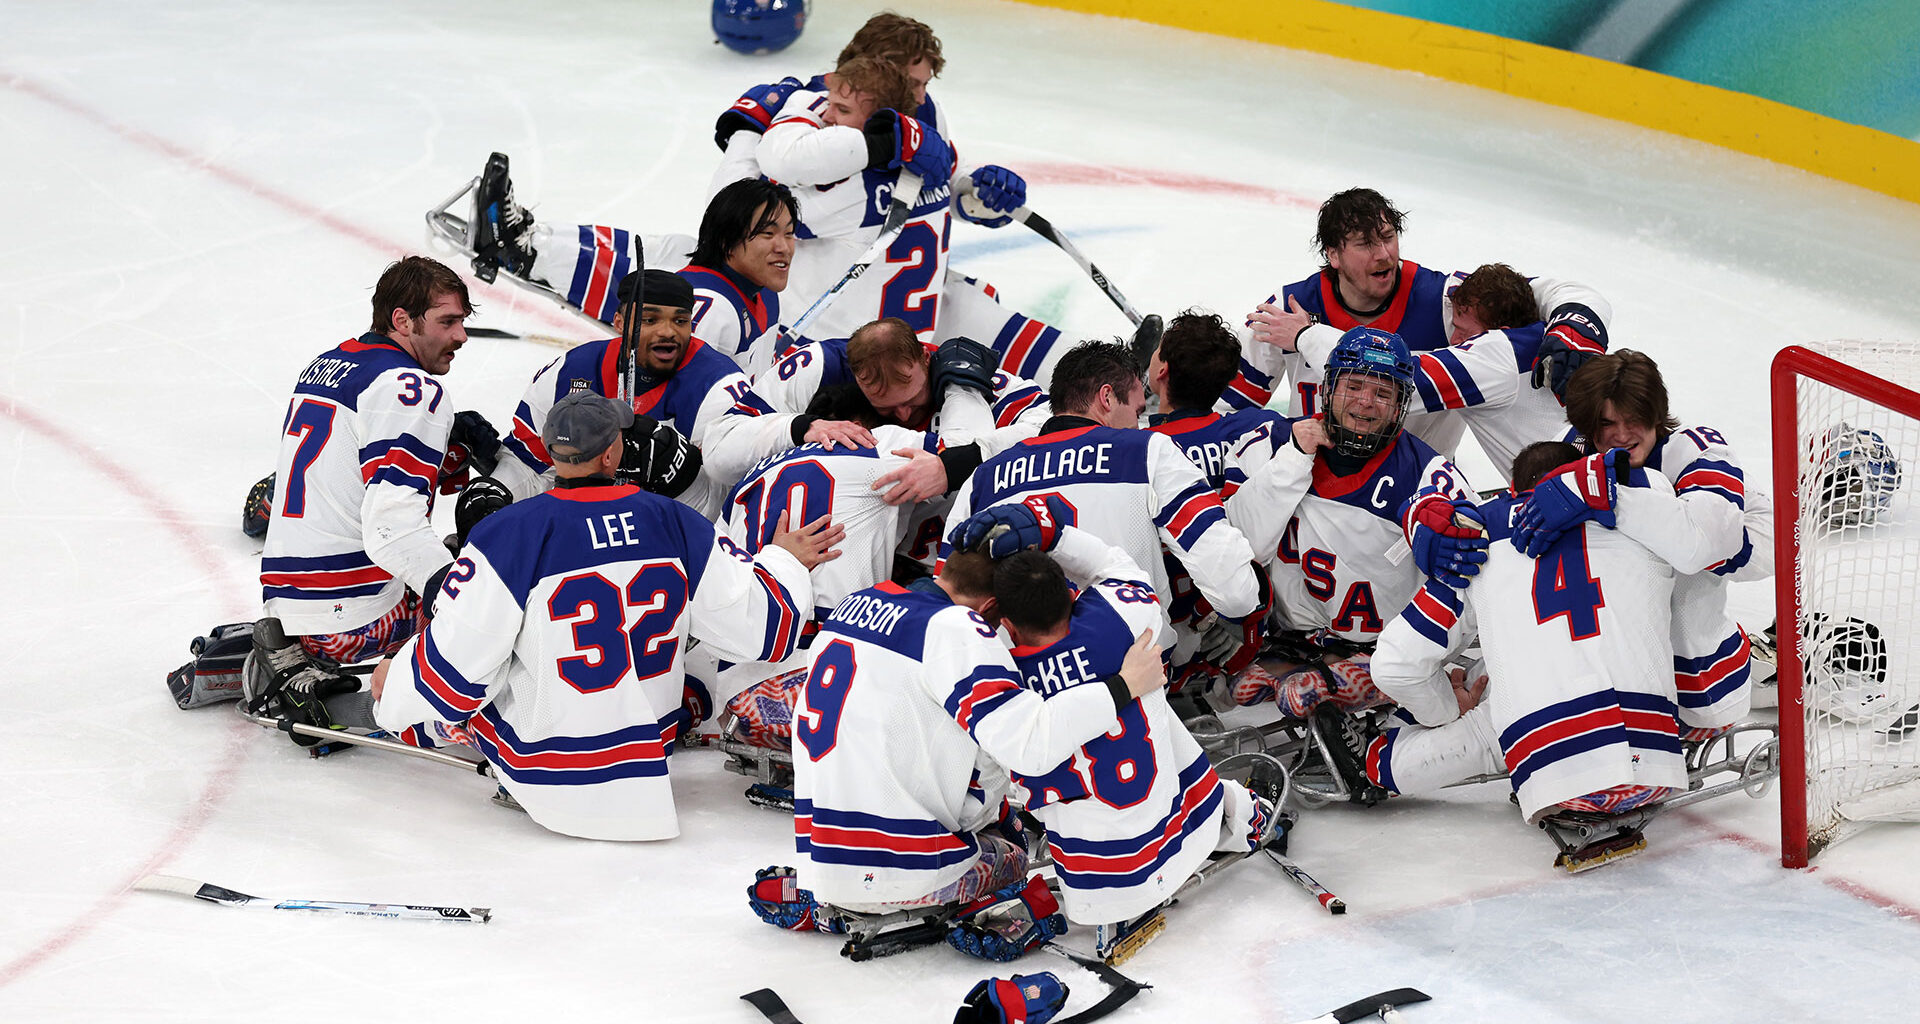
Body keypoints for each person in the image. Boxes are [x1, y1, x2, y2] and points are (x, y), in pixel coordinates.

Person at [368, 393, 831, 841]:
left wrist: (398, 679)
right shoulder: (675, 520)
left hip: (548, 773)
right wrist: (783, 562)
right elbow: (763, 631)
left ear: (551, 452)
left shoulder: (507, 531)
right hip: (650, 762)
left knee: (439, 676)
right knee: (703, 665)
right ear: (612, 453)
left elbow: (455, 674)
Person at [771, 545, 1169, 919]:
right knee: (1013, 854)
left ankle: (830, 896)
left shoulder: (857, 602)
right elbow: (1030, 745)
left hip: (821, 852)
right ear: (991, 606)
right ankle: (902, 904)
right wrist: (1124, 685)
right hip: (901, 867)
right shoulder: (956, 628)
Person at [960, 503, 1275, 928]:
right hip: (1174, 824)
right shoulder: (1124, 616)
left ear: (1007, 624)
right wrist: (1054, 535)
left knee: (1009, 750)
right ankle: (1242, 816)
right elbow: (1114, 564)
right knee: (1151, 709)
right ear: (1068, 593)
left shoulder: (998, 671)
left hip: (1093, 880)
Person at [1364, 441, 1691, 824]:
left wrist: (1447, 708)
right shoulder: (1643, 499)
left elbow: (1393, 665)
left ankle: (1382, 761)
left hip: (1558, 778)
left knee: (1485, 703)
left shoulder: (1478, 535)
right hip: (1657, 765)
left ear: (1512, 490)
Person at [243, 257, 501, 731]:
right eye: (448, 322)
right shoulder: (413, 388)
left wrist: (445, 451)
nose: (461, 336)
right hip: (354, 623)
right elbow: (392, 532)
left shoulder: (330, 361)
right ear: (402, 320)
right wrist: (462, 602)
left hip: (291, 599)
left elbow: (358, 468)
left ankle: (286, 651)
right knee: (495, 578)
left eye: (463, 321)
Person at [1220, 327, 1477, 797]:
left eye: (1383, 392)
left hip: (1377, 649)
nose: (1365, 403)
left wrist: (1423, 657)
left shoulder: (1426, 474)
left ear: (1400, 406)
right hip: (1294, 640)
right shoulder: (1276, 446)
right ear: (1328, 387)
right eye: (1354, 386)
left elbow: (1471, 574)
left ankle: (1393, 721)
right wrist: (1294, 461)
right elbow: (1236, 544)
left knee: (1299, 694)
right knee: (1239, 689)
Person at [947, 340, 1268, 653]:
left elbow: (951, 608)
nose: (1139, 424)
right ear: (1107, 398)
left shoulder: (983, 478)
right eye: (1138, 411)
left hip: (1017, 687)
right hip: (1133, 681)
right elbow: (1236, 594)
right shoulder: (1148, 451)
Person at [1234, 189, 1612, 445]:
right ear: (1333, 255)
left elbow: (1564, 292)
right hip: (1313, 484)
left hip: (1417, 495)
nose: (1384, 254)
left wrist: (1574, 329)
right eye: (1366, 244)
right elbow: (1227, 411)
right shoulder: (1288, 309)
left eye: (1388, 236)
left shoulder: (1449, 302)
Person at [484, 269, 785, 519]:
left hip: (673, 546)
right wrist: (496, 494)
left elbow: (746, 498)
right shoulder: (569, 371)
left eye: (680, 321)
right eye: (650, 320)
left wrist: (685, 481)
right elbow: (531, 461)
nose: (668, 332)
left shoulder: (717, 388)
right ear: (618, 323)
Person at [1281, 263, 1574, 483]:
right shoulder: (1536, 336)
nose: (1454, 338)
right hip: (1581, 475)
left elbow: (1400, 378)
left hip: (1571, 494)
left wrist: (1305, 335)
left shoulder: (1495, 355)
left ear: (1501, 331)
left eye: (1464, 330)